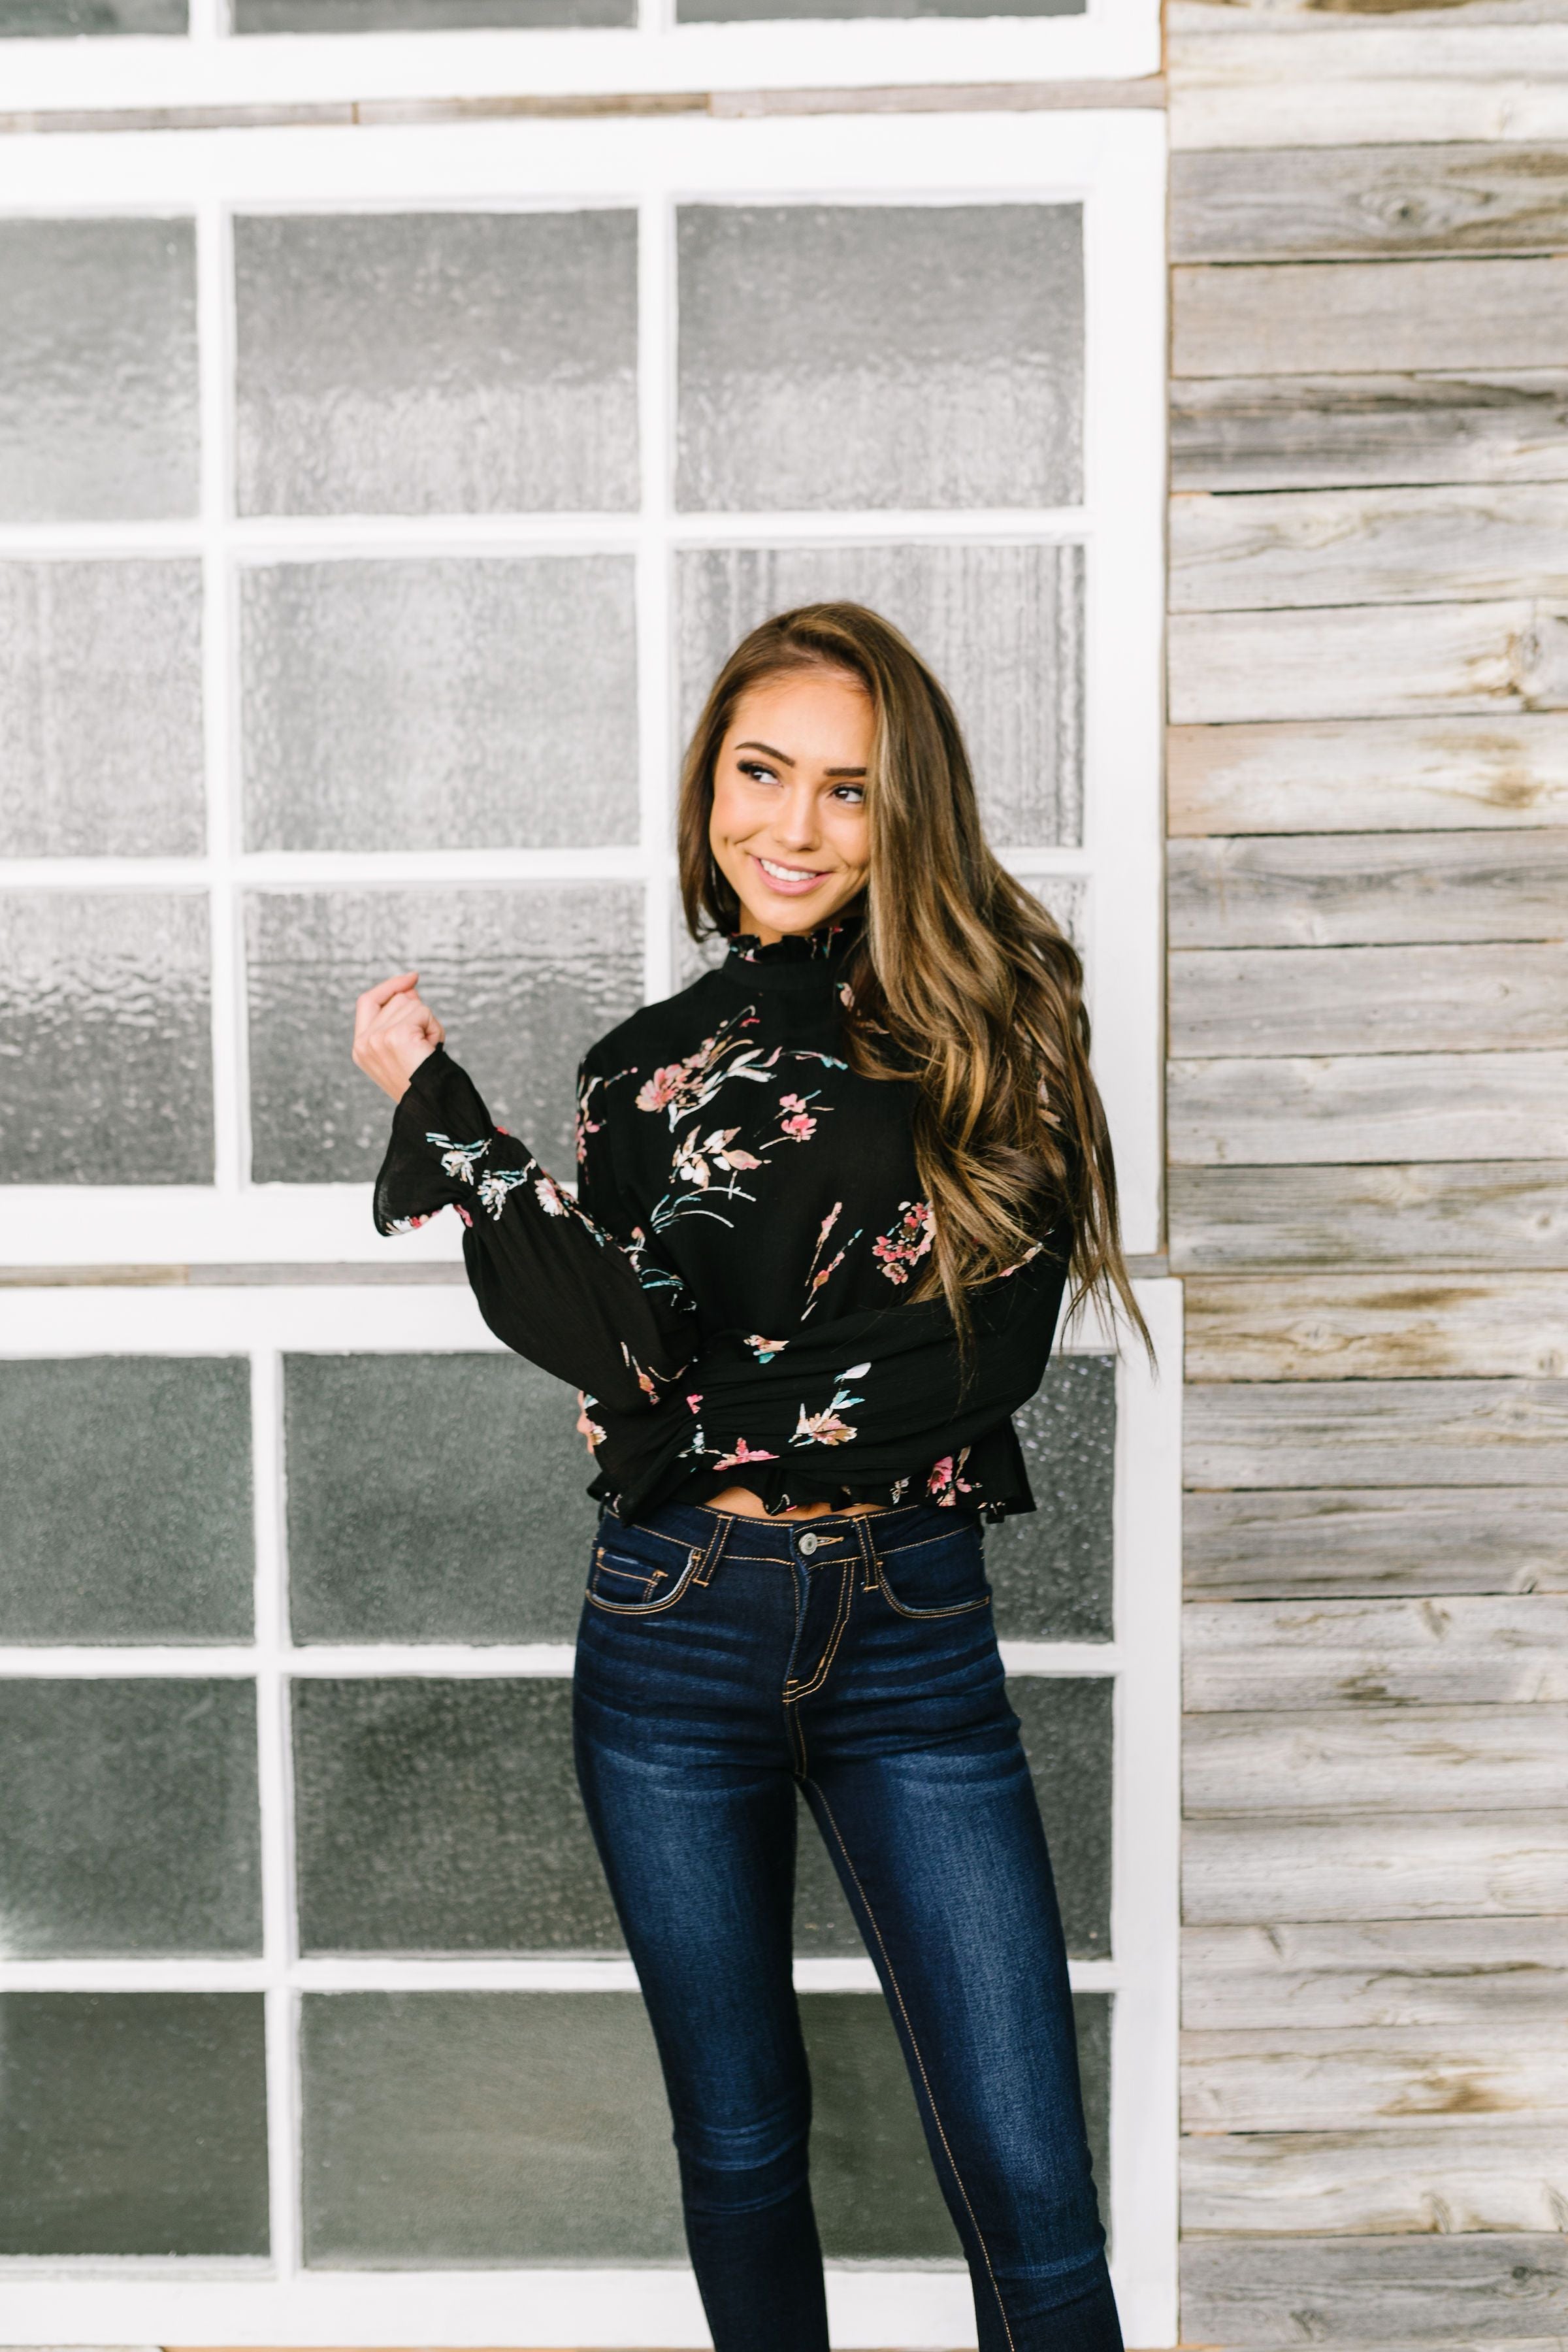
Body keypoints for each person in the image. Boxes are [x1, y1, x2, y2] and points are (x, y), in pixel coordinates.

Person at [353, 603, 1147, 2352]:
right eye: (761, 772)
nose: (792, 827)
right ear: (709, 782)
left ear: (908, 810)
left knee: (1028, 2179)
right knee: (738, 2145)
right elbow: (608, 1339)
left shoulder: (1001, 1020)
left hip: (913, 1633)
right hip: (674, 1629)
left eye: (848, 790)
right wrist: (440, 1103)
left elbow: (977, 1367)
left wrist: (679, 1421)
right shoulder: (640, 1071)